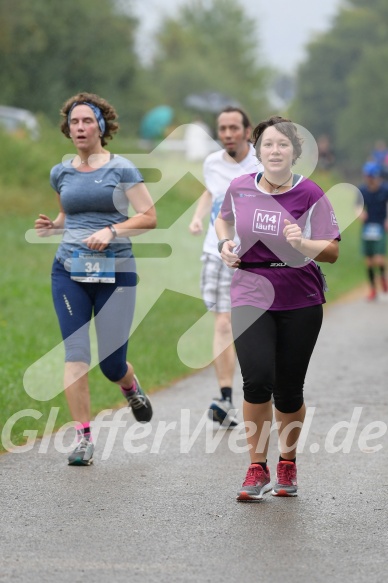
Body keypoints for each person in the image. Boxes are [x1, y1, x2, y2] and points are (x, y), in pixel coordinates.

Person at [215, 115, 340, 501]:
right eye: (268, 144)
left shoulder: (311, 193)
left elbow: (333, 251)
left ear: (294, 152)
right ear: (257, 150)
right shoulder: (239, 187)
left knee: (288, 390)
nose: (274, 151)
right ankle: (256, 466)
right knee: (256, 381)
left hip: (299, 295)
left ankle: (287, 460)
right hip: (250, 289)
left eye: (282, 145)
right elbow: (224, 220)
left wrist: (303, 244)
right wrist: (225, 246)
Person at [34, 92, 157, 466]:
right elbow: (70, 214)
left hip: (116, 273)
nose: (81, 128)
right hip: (68, 271)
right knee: (75, 355)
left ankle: (129, 386)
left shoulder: (121, 169)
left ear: (101, 126)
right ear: (67, 129)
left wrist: (113, 231)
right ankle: (83, 439)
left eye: (88, 121)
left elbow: (149, 217)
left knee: (110, 364)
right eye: (74, 122)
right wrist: (53, 225)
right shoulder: (62, 172)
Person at [189, 107, 262, 426]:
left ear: (247, 131)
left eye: (234, 127)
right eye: (223, 128)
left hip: (257, 259)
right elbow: (211, 191)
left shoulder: (262, 162)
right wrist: (197, 215)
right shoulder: (211, 163)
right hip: (216, 252)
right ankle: (225, 398)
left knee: (255, 329)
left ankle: (260, 396)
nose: (228, 133)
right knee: (222, 325)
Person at [355, 161, 388, 301]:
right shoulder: (362, 190)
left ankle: (383, 279)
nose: (368, 179)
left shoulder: (385, 190)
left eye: (370, 176)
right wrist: (360, 213)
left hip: (380, 226)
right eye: (366, 176)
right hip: (367, 228)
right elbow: (357, 206)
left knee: (379, 259)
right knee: (368, 261)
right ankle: (373, 289)